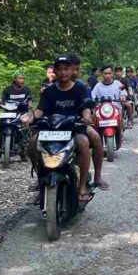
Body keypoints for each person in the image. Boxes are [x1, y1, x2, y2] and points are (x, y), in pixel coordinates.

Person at [31, 55, 109, 201]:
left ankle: (87, 183)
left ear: (71, 70)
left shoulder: (80, 88)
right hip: (51, 129)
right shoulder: (48, 91)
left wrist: (87, 117)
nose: (63, 73)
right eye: (59, 69)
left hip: (74, 127)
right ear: (54, 71)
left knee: (89, 140)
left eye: (66, 69)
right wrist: (30, 117)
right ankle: (40, 181)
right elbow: (40, 109)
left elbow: (86, 107)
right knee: (32, 142)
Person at [0, 70, 33, 159]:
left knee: (25, 130)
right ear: (14, 79)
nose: (22, 80)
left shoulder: (26, 89)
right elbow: (2, 101)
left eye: (23, 78)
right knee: (1, 132)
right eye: (20, 78)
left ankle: (24, 150)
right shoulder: (7, 89)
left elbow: (30, 100)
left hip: (22, 112)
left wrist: (29, 106)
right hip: (9, 112)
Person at [91, 65, 128, 140]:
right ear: (102, 74)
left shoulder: (118, 83)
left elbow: (123, 92)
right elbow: (92, 96)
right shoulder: (98, 86)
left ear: (112, 74)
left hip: (116, 108)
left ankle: (120, 132)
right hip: (101, 109)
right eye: (105, 73)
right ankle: (95, 134)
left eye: (109, 73)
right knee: (93, 115)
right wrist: (94, 101)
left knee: (120, 112)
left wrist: (123, 96)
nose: (107, 75)